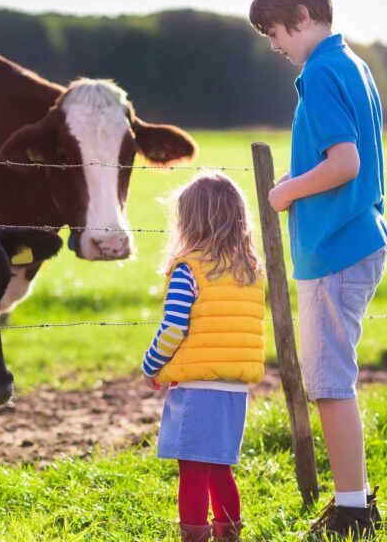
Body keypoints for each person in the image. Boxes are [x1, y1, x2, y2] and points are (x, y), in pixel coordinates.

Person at [249, 0, 387, 539]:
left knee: (330, 384)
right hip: (351, 237)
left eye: (275, 32)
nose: (274, 45)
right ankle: (353, 501)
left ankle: (353, 511)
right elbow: (336, 158)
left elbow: (345, 164)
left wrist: (285, 191)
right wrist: (300, 178)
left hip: (336, 245)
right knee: (330, 380)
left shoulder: (321, 71)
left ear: (304, 15)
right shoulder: (351, 64)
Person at [142, 172, 266, 542]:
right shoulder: (248, 271)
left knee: (192, 471)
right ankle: (229, 535)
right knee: (220, 469)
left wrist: (152, 365)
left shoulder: (189, 269)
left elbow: (173, 328)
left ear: (188, 222)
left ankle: (193, 537)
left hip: (196, 389)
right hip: (234, 389)